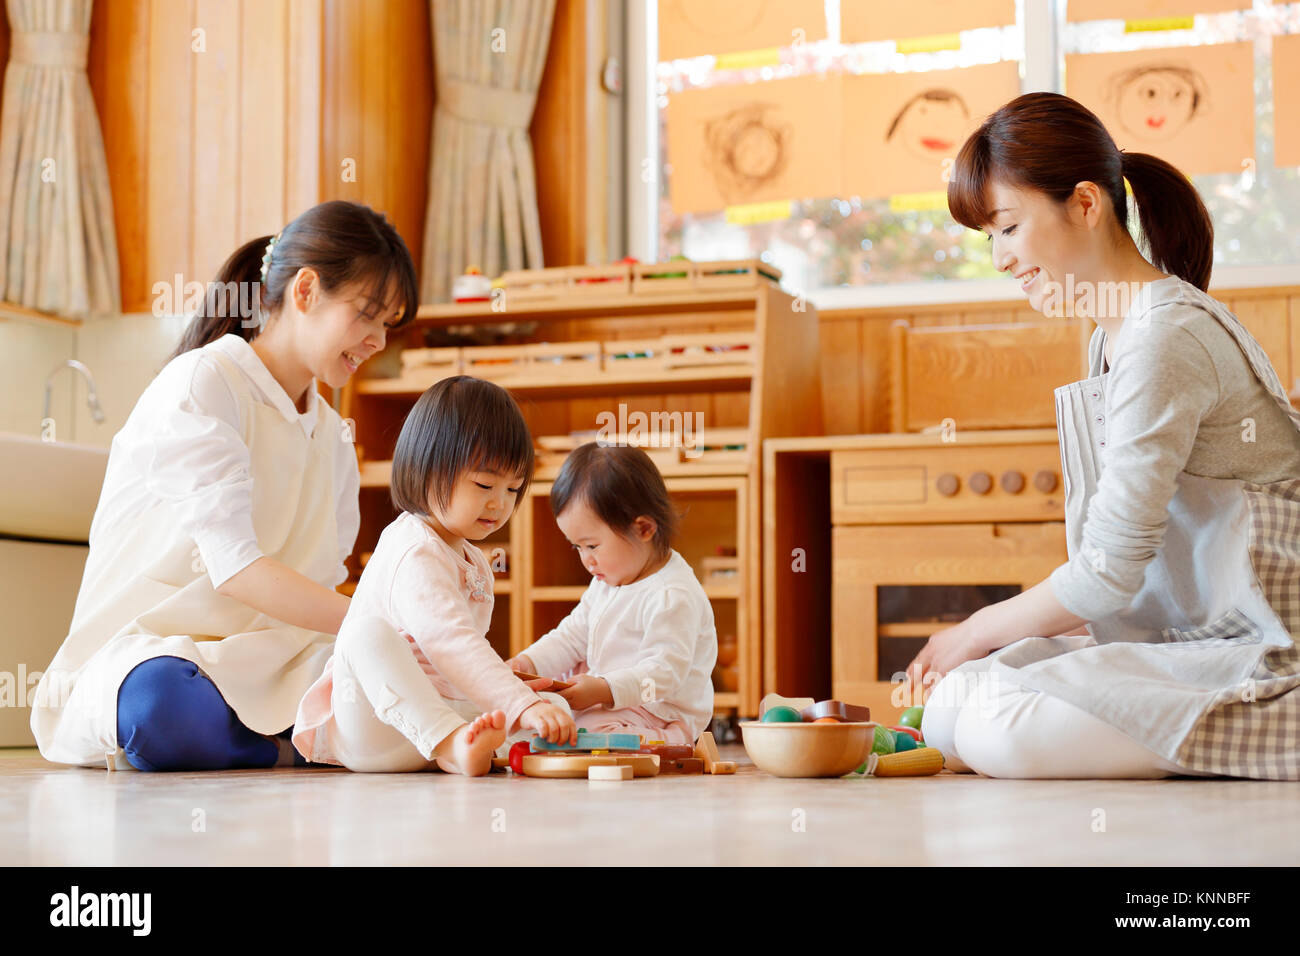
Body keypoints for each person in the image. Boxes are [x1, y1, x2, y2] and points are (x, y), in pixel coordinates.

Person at [906, 92, 1300, 780]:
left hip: (1263, 647)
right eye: (989, 238)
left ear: (1086, 204)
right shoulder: (1110, 338)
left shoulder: (1165, 335)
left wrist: (972, 630)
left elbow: (1107, 572)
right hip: (1185, 641)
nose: (999, 259)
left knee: (999, 729)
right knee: (954, 707)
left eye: (1007, 228)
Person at [31, 200, 419, 771]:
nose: (378, 340)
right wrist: (384, 624)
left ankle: (286, 744)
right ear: (305, 291)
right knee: (162, 706)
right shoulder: (203, 383)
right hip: (157, 655)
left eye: (387, 324)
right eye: (367, 314)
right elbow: (236, 569)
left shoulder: (334, 436)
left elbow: (324, 586)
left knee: (394, 689)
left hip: (279, 661)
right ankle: (297, 748)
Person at [291, 376, 576, 774]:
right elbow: (450, 643)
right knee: (364, 635)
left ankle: (466, 745)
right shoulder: (414, 548)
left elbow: (460, 663)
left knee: (556, 709)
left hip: (432, 720)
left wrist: (522, 695)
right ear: (427, 471)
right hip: (375, 729)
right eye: (484, 483)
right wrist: (518, 703)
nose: (499, 503)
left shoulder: (474, 560)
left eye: (513, 489)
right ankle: (452, 745)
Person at [506, 442, 718, 746]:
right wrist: (528, 663)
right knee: (529, 718)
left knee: (583, 736)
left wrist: (604, 689)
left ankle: (671, 741)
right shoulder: (608, 581)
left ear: (643, 529)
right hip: (606, 703)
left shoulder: (672, 594)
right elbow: (571, 636)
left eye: (592, 545)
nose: (585, 559)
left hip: (658, 713)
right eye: (576, 546)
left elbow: (662, 676)